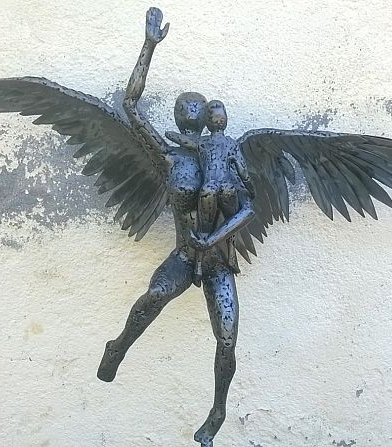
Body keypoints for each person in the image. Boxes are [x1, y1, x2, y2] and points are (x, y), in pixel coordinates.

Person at [96, 8, 255, 447]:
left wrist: (216, 238)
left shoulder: (225, 154)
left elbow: (248, 204)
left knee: (227, 338)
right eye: (184, 109)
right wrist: (149, 47)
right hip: (185, 256)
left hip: (218, 261)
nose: (188, 113)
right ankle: (118, 346)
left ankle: (218, 412)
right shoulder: (167, 156)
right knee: (156, 295)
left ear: (205, 118)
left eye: (194, 109)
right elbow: (130, 106)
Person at [166, 99, 256, 286]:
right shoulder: (231, 144)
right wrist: (251, 189)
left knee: (204, 228)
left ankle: (198, 265)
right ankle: (231, 254)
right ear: (225, 121)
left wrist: (171, 135)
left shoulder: (203, 143)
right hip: (227, 187)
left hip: (209, 188)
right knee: (231, 221)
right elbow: (244, 172)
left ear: (207, 123)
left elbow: (184, 141)